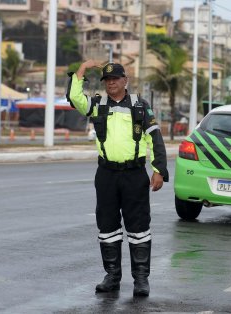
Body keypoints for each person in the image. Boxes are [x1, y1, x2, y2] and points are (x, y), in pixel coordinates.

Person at [66, 60, 169, 297]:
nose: (111, 83)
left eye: (115, 79)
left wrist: (158, 170)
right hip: (106, 175)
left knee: (139, 228)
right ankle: (112, 276)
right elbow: (75, 98)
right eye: (107, 80)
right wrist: (83, 68)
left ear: (125, 80)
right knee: (107, 227)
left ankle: (141, 279)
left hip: (134, 175)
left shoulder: (140, 106)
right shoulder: (96, 105)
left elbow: (156, 139)